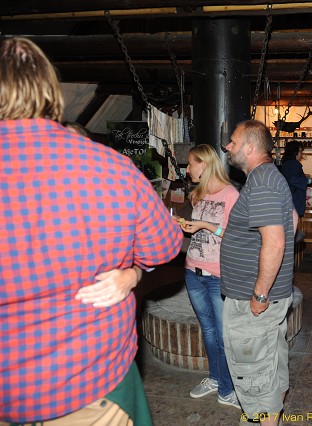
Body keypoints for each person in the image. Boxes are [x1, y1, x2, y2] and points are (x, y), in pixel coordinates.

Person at [0, 37, 183, 424]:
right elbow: (165, 246)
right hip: (90, 381)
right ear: (50, 90)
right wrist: (135, 272)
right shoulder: (110, 167)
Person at [220, 120, 296, 426]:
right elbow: (293, 220)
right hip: (268, 297)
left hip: (254, 301)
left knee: (254, 374)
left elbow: (275, 242)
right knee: (270, 365)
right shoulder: (268, 177)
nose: (228, 146)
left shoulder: (262, 181)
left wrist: (260, 294)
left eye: (233, 141)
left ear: (250, 147)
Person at [174, 144, 241, 408]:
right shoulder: (197, 194)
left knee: (223, 336)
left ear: (204, 164)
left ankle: (226, 389)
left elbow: (235, 234)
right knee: (209, 331)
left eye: (190, 164)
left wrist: (204, 225)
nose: (187, 169)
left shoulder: (231, 194)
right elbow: (196, 231)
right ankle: (214, 379)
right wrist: (184, 225)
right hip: (193, 271)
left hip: (218, 275)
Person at [279, 140, 309, 240]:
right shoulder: (295, 164)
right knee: (291, 232)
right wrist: (306, 180)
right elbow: (293, 179)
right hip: (294, 200)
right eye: (300, 151)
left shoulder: (285, 163)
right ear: (295, 152)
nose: (301, 154)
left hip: (286, 200)